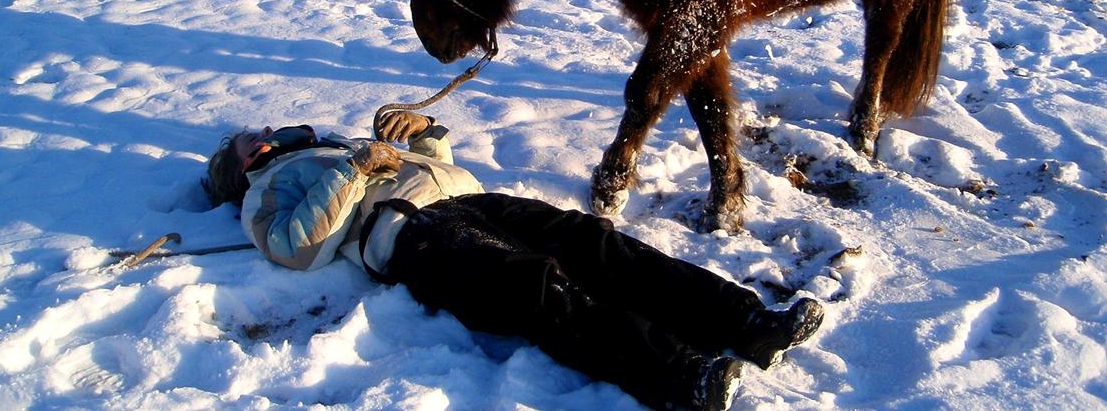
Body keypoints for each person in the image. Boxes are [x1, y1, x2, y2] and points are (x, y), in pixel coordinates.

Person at [205, 111, 824, 411]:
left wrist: (423, 131)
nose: (259, 137)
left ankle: (746, 322)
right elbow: (296, 248)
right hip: (414, 235)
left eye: (257, 132)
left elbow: (430, 158)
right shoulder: (264, 194)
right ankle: (680, 375)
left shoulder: (333, 142)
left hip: (472, 198)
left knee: (600, 246)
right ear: (240, 168)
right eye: (244, 146)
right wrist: (355, 168)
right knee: (535, 288)